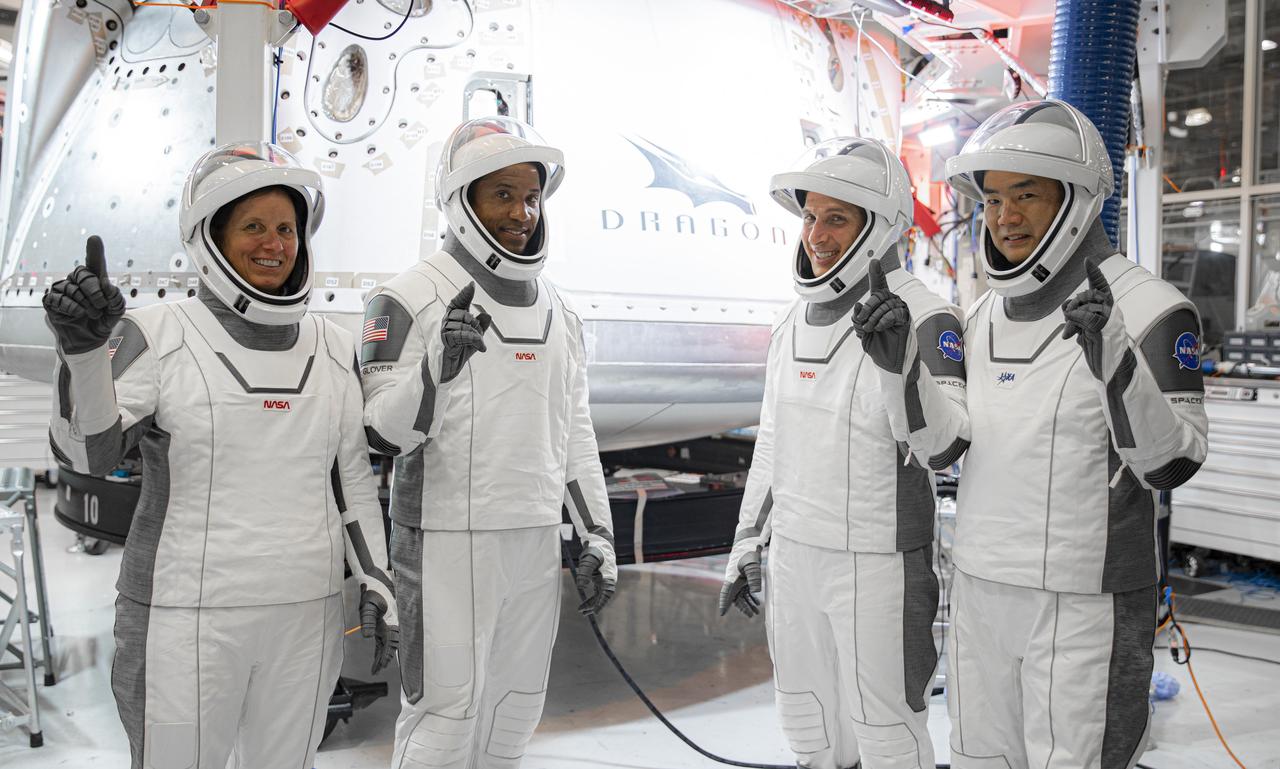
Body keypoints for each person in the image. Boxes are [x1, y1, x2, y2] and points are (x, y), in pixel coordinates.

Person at [858, 100, 1209, 768]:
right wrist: (900, 368)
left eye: (1026, 196)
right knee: (978, 758)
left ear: (1075, 201)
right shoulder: (984, 312)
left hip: (1085, 601)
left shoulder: (1153, 308)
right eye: (992, 200)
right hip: (982, 590)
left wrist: (1118, 361)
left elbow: (1175, 462)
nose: (1004, 217)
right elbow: (946, 446)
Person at [45, 142, 398, 769]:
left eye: (286, 227)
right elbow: (89, 452)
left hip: (305, 614)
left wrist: (376, 576)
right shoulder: (156, 333)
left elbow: (351, 480)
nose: (274, 243)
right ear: (210, 237)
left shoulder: (333, 344)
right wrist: (81, 354)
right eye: (254, 227)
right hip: (183, 617)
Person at [359, 116, 618, 769]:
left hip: (532, 540)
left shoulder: (560, 308)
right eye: (502, 194)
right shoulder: (406, 298)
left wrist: (597, 535)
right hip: (444, 542)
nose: (521, 213)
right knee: (444, 718)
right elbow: (384, 431)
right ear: (462, 198)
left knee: (514, 715)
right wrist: (434, 372)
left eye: (530, 196)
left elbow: (573, 429)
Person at [719, 137, 964, 769]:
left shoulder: (928, 318)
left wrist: (900, 364)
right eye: (809, 216)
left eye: (836, 218)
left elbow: (945, 448)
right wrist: (748, 541)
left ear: (878, 226)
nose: (816, 235)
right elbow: (772, 442)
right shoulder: (791, 323)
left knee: (888, 734)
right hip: (795, 558)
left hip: (879, 564)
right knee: (809, 729)